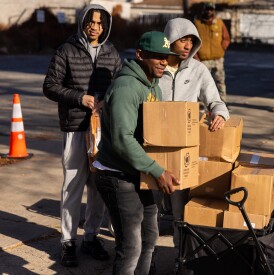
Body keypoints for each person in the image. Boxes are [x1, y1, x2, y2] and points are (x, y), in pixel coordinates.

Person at [94, 31, 181, 274]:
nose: (164, 61)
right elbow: (123, 140)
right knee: (131, 246)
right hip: (117, 174)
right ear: (140, 55)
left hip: (141, 173)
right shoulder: (126, 88)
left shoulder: (155, 87)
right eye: (157, 56)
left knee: (150, 239)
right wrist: (158, 170)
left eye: (167, 57)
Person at [43, 4, 121, 267]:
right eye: (91, 21)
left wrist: (107, 102)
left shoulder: (112, 53)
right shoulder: (66, 50)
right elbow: (50, 85)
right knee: (72, 185)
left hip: (102, 130)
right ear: (83, 21)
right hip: (75, 128)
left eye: (100, 23)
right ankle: (67, 241)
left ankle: (91, 236)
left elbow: (120, 85)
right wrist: (80, 98)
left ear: (106, 26)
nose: (95, 27)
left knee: (99, 187)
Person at [159, 17, 230, 244]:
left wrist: (220, 114)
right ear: (169, 40)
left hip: (182, 150)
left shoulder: (198, 69)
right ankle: (147, 262)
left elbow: (215, 100)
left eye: (191, 40)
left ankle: (179, 259)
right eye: (183, 40)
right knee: (150, 210)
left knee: (180, 213)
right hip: (152, 146)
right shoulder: (156, 66)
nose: (188, 45)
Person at [194, 2, 231, 103]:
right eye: (207, 9)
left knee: (220, 81)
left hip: (218, 59)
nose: (209, 11)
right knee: (202, 82)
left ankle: (223, 103)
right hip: (203, 59)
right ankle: (201, 105)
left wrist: (222, 48)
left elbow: (226, 38)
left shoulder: (219, 23)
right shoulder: (197, 24)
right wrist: (196, 55)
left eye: (211, 9)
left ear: (214, 11)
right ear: (204, 10)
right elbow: (193, 41)